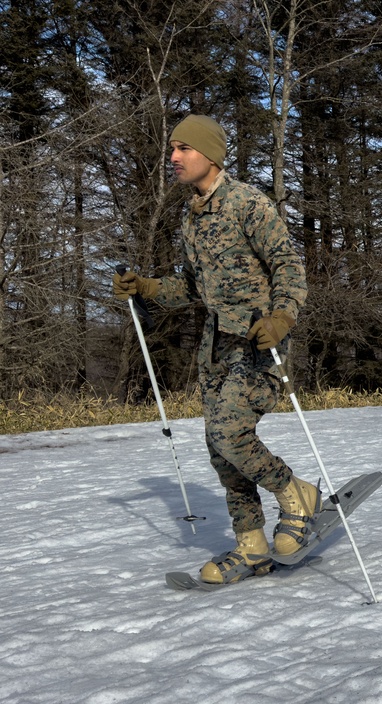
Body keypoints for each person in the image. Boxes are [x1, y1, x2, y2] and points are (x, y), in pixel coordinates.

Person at [113, 114, 313, 584]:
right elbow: (189, 288)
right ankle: (252, 545)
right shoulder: (192, 217)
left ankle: (296, 494)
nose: (174, 158)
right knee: (220, 450)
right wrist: (145, 286)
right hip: (215, 349)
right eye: (171, 150)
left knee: (229, 432)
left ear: (210, 154)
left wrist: (282, 317)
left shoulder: (247, 203)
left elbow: (288, 264)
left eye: (183, 149)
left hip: (257, 344)